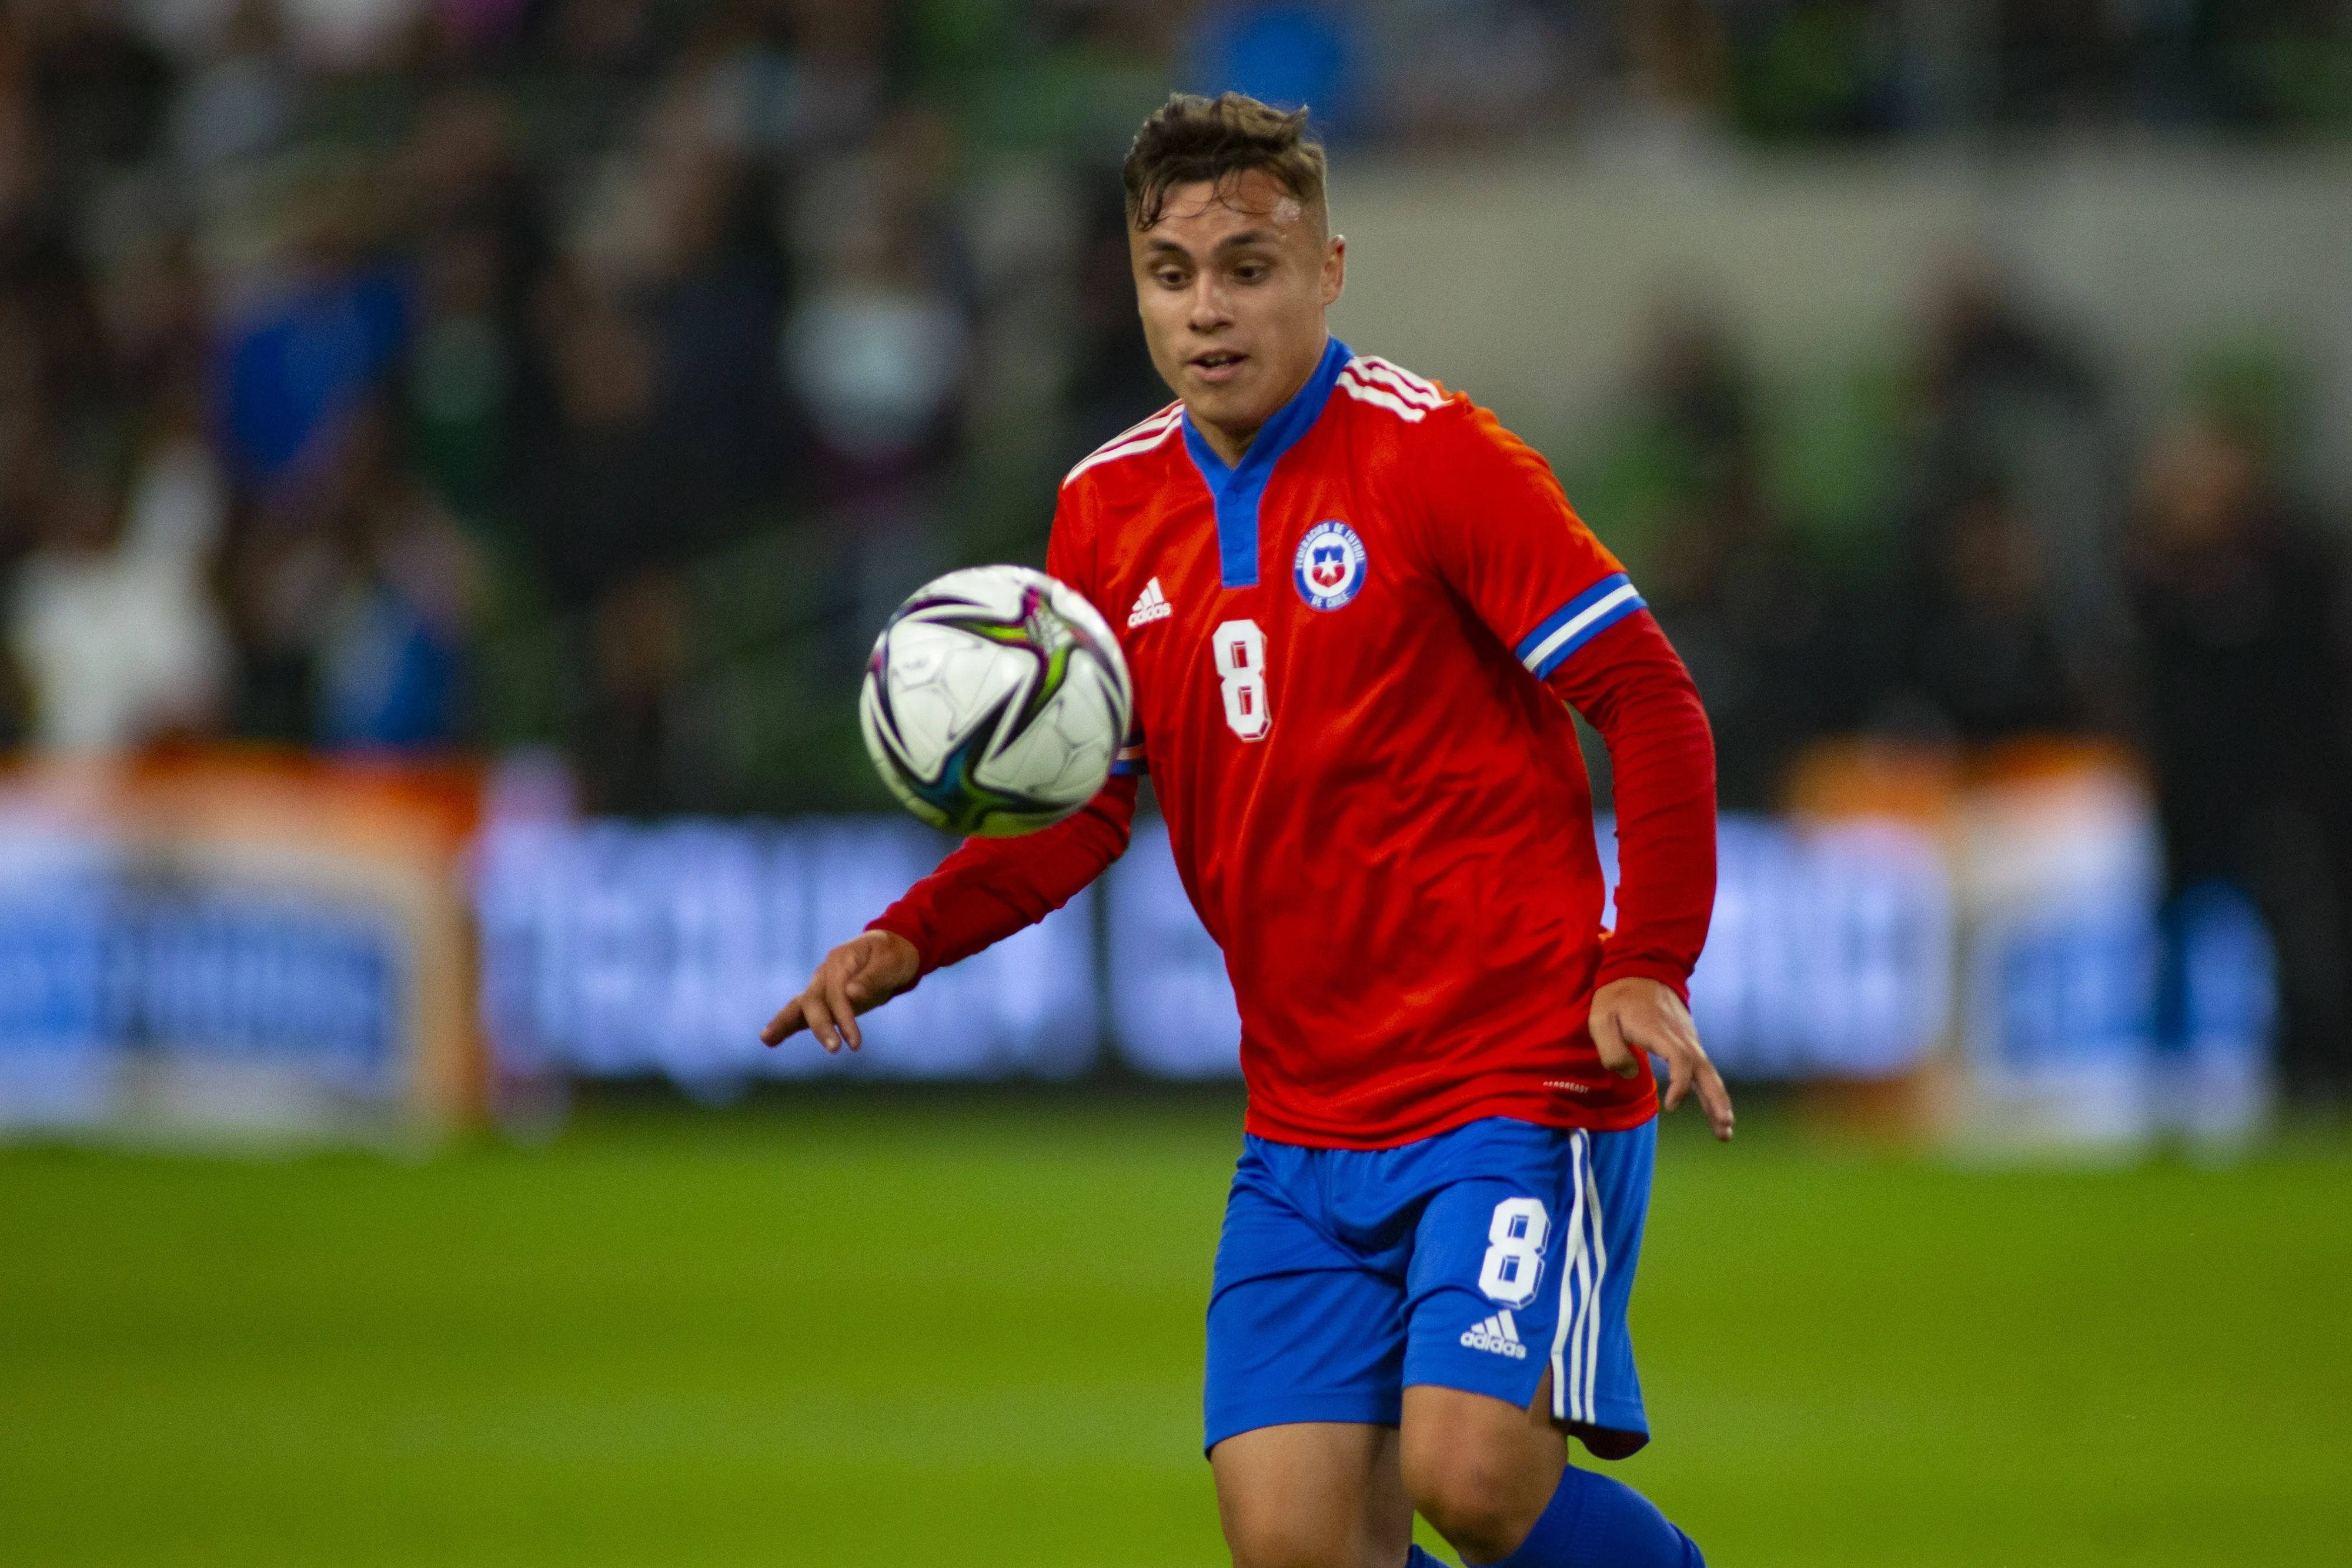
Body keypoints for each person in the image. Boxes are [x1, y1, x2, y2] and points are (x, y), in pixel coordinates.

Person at [764, 93, 1729, 1568]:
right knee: (1289, 1543)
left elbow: (1649, 699)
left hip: (1513, 1078)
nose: (1207, 310)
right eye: (1171, 274)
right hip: (1304, 1122)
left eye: (1248, 268)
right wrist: (913, 934)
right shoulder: (1104, 507)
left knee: (1472, 1482)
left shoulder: (1438, 457)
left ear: (1325, 272)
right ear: (1133, 285)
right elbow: (1087, 808)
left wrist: (1645, 956)